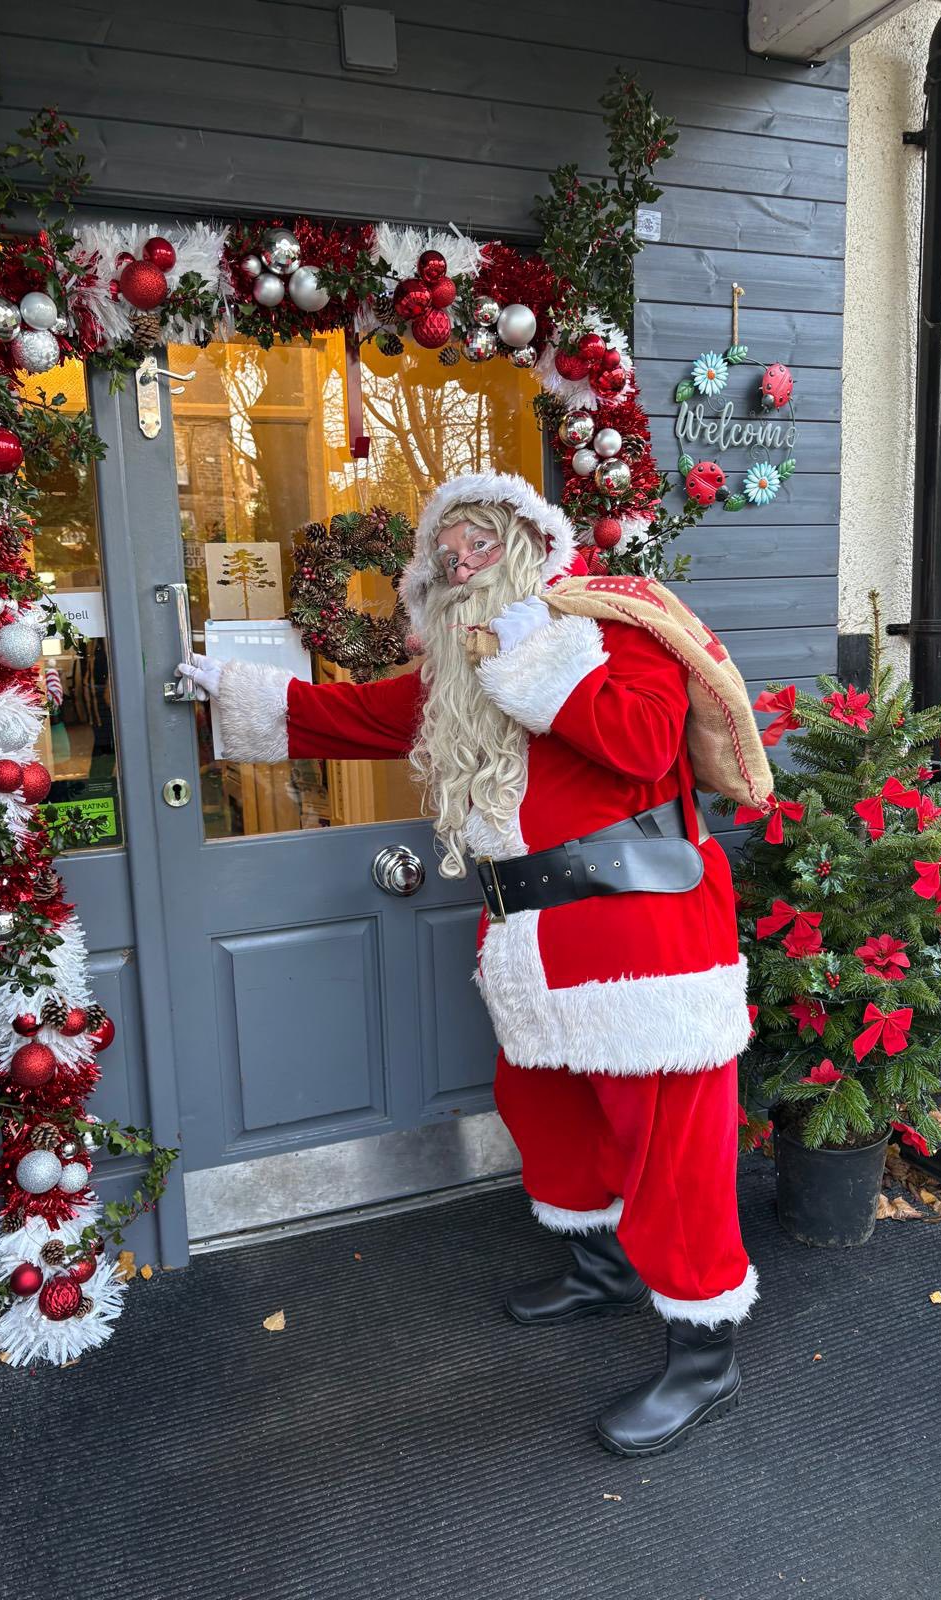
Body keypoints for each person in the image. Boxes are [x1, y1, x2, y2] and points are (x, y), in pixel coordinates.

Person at [178, 472, 761, 1458]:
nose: (461, 565)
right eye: (447, 553)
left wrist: (537, 651)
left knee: (672, 1143)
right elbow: (353, 716)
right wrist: (233, 692)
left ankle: (707, 1356)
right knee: (548, 1109)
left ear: (532, 546)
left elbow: (641, 739)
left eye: (481, 545)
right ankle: (599, 1266)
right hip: (534, 938)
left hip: (648, 939)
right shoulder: (460, 672)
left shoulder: (615, 627)